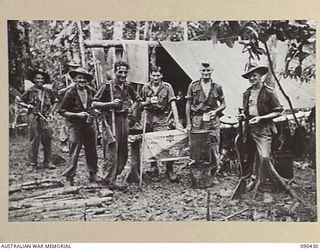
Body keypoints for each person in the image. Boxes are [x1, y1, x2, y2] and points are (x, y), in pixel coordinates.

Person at [92, 61, 136, 191]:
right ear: (115, 72)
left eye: (125, 72)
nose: (122, 75)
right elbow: (94, 104)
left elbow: (138, 100)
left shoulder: (128, 87)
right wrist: (110, 104)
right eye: (120, 72)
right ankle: (105, 181)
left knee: (123, 152)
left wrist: (131, 108)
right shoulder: (107, 86)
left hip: (124, 120)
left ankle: (114, 178)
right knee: (112, 152)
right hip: (111, 121)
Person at [239, 63, 283, 190]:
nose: (252, 79)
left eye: (254, 76)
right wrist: (243, 116)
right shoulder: (247, 93)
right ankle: (254, 179)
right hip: (249, 128)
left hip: (263, 128)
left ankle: (268, 181)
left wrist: (261, 118)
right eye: (249, 77)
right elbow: (246, 110)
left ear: (260, 76)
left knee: (264, 156)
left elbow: (278, 111)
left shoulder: (268, 92)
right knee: (250, 156)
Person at [139, 65, 183, 182]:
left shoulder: (167, 87)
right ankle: (154, 167)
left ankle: (169, 168)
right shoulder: (145, 87)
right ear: (150, 75)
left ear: (161, 76)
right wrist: (146, 103)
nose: (156, 78)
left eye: (158, 75)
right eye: (153, 75)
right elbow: (140, 104)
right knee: (149, 142)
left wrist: (177, 122)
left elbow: (173, 104)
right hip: (148, 115)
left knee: (165, 142)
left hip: (161, 117)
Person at [58, 67, 99, 187]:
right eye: (80, 78)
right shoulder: (70, 93)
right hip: (75, 125)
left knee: (92, 149)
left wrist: (96, 111)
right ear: (75, 79)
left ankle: (93, 174)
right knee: (74, 148)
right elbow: (62, 111)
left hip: (89, 124)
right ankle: (69, 177)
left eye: (84, 78)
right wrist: (77, 114)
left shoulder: (91, 91)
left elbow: (96, 103)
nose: (82, 80)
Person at [185, 61, 226, 173]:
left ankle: (214, 170)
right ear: (200, 71)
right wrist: (188, 122)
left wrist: (216, 111)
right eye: (203, 70)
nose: (206, 73)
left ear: (212, 71)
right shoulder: (193, 86)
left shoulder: (217, 87)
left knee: (213, 144)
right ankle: (199, 171)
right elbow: (188, 104)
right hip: (197, 119)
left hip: (212, 119)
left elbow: (223, 104)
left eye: (208, 70)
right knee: (197, 145)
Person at [20, 69, 55, 171]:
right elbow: (21, 101)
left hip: (45, 117)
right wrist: (28, 106)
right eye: (38, 78)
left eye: (42, 79)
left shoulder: (48, 91)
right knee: (34, 139)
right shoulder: (30, 91)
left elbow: (55, 101)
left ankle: (47, 162)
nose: (40, 80)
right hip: (34, 116)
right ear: (34, 80)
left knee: (47, 139)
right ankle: (32, 163)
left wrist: (51, 112)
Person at [52, 60, 81, 153]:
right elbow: (57, 92)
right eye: (73, 67)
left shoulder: (79, 78)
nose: (74, 69)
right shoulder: (63, 79)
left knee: (75, 124)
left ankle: (75, 143)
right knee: (64, 124)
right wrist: (69, 87)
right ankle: (63, 143)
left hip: (75, 104)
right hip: (64, 103)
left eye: (76, 67)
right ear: (69, 67)